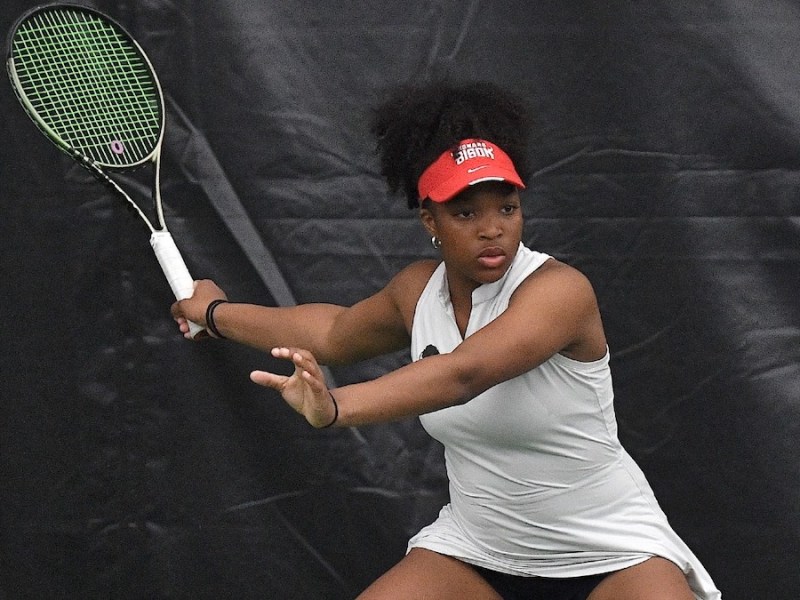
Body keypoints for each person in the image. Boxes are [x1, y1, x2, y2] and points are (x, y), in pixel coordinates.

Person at [171, 81, 722, 600]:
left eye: (507, 207)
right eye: (466, 212)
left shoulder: (559, 291)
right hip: (478, 551)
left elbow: (464, 374)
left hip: (613, 555)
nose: (493, 228)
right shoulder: (417, 292)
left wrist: (335, 406)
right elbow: (332, 332)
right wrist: (215, 312)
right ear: (428, 219)